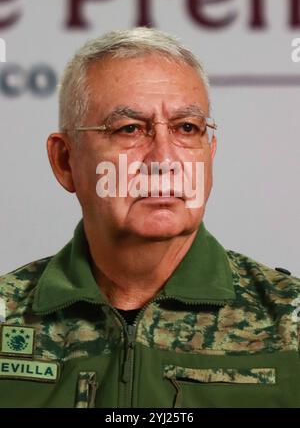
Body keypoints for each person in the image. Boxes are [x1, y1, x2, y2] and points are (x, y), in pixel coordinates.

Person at [0, 27, 299, 408]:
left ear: (210, 153)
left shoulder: (291, 321)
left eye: (187, 128)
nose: (164, 160)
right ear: (65, 161)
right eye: (129, 129)